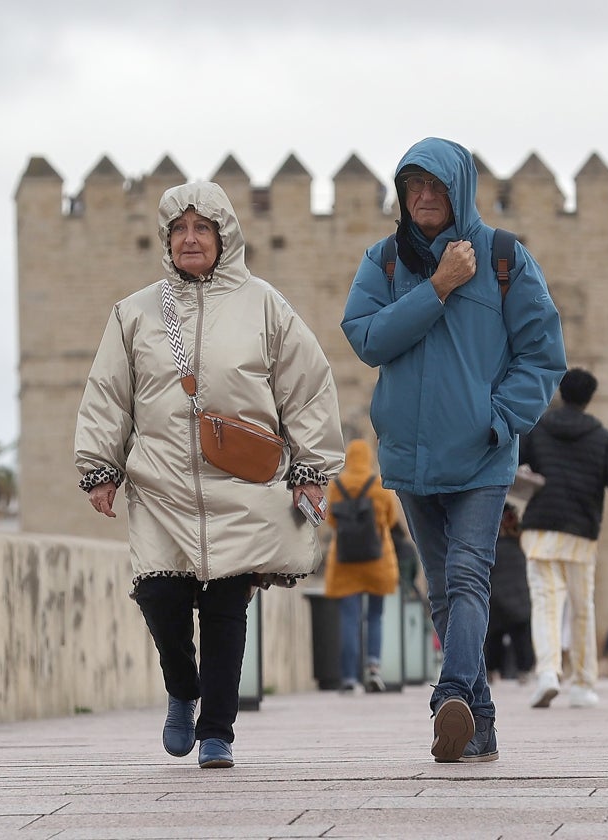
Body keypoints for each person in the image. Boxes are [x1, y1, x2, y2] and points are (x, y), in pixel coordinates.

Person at [75, 181, 344, 769]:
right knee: (159, 594)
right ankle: (182, 687)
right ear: (166, 240)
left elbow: (307, 386)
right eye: (179, 229)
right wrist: (101, 466)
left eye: (202, 228)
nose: (190, 239)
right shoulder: (135, 313)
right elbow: (108, 395)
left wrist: (312, 468)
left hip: (242, 485)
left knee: (226, 608)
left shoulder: (265, 305)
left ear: (225, 237)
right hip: (160, 482)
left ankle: (218, 729)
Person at [341, 137, 567, 763]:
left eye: (435, 186)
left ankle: (449, 696)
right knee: (442, 588)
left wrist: (500, 422)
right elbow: (367, 339)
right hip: (411, 457)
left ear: (459, 189)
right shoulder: (385, 262)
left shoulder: (503, 258)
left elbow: (543, 354)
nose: (422, 197)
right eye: (412, 186)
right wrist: (436, 287)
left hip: (481, 454)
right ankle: (480, 723)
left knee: (469, 574)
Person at [519, 368, 608, 709]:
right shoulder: (603, 439)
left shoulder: (537, 430)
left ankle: (547, 674)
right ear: (589, 399)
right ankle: (583, 685)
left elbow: (512, 469)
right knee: (582, 608)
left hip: (540, 531)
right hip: (581, 537)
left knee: (545, 604)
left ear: (562, 393)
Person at [323, 438, 400, 694]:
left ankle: (348, 677)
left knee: (349, 619)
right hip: (377, 559)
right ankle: (374, 669)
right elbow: (390, 519)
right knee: (375, 615)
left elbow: (331, 520)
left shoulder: (337, 486)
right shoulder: (379, 485)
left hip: (345, 561)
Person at [484, 504, 534, 683]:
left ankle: (490, 670)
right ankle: (524, 670)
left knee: (492, 637)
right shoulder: (519, 547)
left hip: (496, 600)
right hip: (517, 600)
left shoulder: (490, 548)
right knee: (521, 635)